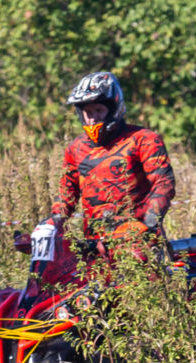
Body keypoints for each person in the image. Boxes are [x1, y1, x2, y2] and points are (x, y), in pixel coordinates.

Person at [41, 71, 175, 244]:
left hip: (140, 239)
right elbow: (67, 196)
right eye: (88, 112)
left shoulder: (144, 139)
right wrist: (51, 224)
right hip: (94, 243)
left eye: (98, 110)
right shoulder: (76, 148)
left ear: (113, 109)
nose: (93, 118)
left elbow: (163, 183)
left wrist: (150, 220)